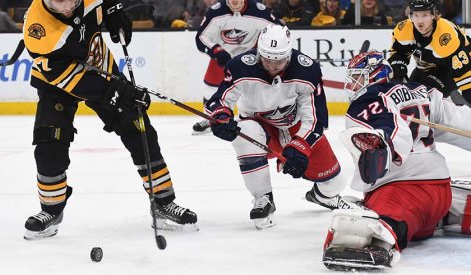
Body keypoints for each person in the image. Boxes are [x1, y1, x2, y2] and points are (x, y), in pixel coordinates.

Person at [22, 0, 197, 240]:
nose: (66, 8)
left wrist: (114, 9)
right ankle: (51, 210)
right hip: (58, 82)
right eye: (58, 2)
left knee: (139, 126)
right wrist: (117, 92)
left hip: (99, 65)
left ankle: (163, 202)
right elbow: (72, 79)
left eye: (71, 0)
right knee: (49, 140)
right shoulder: (38, 31)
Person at [321, 51, 471, 271]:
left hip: (404, 191)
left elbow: (387, 126)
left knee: (360, 230)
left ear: (375, 75)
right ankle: (447, 214)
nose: (353, 84)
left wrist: (384, 149)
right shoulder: (422, 90)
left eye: (358, 77)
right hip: (439, 189)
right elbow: (459, 121)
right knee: (425, 212)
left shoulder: (369, 99)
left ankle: (383, 235)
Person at [206, 24, 347, 230]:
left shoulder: (307, 70)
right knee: (245, 132)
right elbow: (218, 101)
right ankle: (264, 199)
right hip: (260, 129)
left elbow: (315, 120)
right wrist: (220, 117)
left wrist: (300, 146)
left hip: (296, 129)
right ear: (259, 53)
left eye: (279, 60)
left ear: (289, 55)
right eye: (267, 60)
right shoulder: (240, 66)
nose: (272, 66)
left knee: (335, 183)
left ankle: (321, 197)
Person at [193, 0, 281, 135]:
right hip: (224, 53)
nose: (234, 1)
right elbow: (201, 37)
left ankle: (261, 118)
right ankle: (211, 118)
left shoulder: (259, 11)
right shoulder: (217, 11)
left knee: (257, 88)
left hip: (249, 55)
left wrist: (264, 50)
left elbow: (278, 31)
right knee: (210, 87)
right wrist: (217, 51)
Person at [388, 0, 471, 106]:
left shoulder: (446, 36)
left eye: (424, 15)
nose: (419, 21)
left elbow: (464, 72)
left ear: (433, 15)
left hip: (449, 69)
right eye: (416, 15)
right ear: (410, 16)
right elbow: (398, 51)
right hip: (424, 68)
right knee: (406, 94)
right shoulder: (404, 29)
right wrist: (398, 67)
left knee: (423, 94)